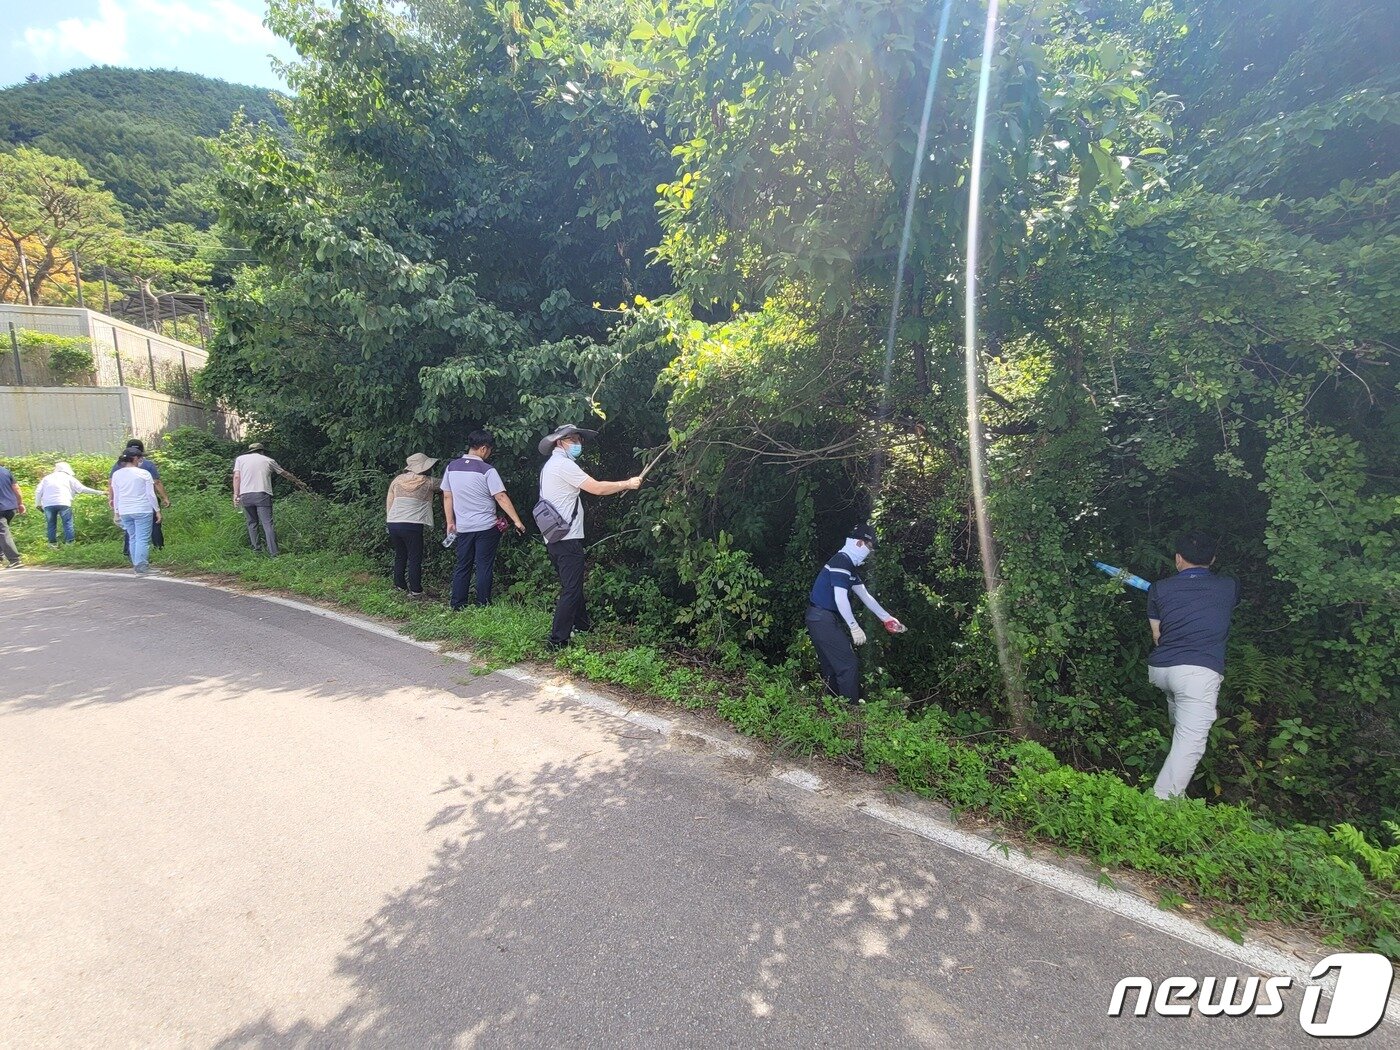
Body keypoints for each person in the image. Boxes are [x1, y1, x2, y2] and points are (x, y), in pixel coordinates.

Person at [1146, 532, 1240, 799]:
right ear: (1212, 559)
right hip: (1198, 673)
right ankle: (1160, 804)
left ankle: (1176, 792)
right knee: (1191, 743)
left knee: (1182, 724)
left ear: (1178, 559)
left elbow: (1157, 637)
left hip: (1162, 669)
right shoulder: (1229, 586)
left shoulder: (1159, 589)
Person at [537, 424, 642, 649]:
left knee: (572, 584)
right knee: (571, 588)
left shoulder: (550, 465)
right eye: (573, 440)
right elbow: (597, 488)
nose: (577, 444)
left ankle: (582, 625)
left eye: (579, 440)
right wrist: (628, 484)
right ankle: (557, 641)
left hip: (554, 536)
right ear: (559, 442)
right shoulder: (563, 465)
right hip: (567, 538)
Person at [805, 524, 905, 703]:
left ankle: (832, 708)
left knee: (832, 665)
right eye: (870, 547)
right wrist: (854, 626)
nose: (870, 552)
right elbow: (840, 598)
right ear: (859, 543)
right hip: (821, 618)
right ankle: (850, 715)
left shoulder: (849, 566)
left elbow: (866, 596)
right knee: (848, 664)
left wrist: (887, 618)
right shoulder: (841, 561)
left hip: (821, 618)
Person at [441, 430, 526, 610]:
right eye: (489, 450)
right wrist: (516, 521)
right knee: (483, 566)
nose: (489, 454)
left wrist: (450, 522)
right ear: (483, 448)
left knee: (463, 565)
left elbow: (447, 496)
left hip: (463, 527)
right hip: (486, 527)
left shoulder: (451, 467)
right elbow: (501, 497)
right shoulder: (487, 470)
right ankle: (482, 604)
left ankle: (457, 604)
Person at [232, 442, 308, 557]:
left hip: (245, 495)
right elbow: (284, 473)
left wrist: (236, 494)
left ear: (250, 451)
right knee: (267, 524)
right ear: (262, 451)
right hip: (262, 494)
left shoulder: (240, 459)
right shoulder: (268, 460)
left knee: (252, 523)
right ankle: (274, 553)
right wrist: (298, 482)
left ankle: (256, 551)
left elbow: (237, 477)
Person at [385, 452, 439, 598]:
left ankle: (399, 585)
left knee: (400, 555)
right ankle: (415, 590)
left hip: (394, 522)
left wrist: (388, 519)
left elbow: (390, 502)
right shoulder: (429, 482)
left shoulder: (397, 480)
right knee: (415, 557)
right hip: (412, 524)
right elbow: (445, 486)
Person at [110, 439, 170, 553]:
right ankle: (158, 548)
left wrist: (112, 500)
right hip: (145, 503)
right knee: (153, 526)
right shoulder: (148, 465)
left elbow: (112, 484)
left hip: (125, 504)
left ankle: (128, 552)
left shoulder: (118, 466)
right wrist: (164, 498)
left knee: (131, 533)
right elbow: (156, 483)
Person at [110, 448, 160, 574]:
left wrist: (116, 512)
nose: (141, 460)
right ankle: (141, 567)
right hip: (142, 509)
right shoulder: (144, 474)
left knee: (133, 538)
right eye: (140, 458)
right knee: (142, 539)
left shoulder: (117, 474)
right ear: (136, 458)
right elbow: (151, 494)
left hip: (125, 510)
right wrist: (157, 510)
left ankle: (136, 565)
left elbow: (116, 495)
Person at [35, 462, 104, 544]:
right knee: (67, 523)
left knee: (51, 524)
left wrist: (38, 504)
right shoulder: (69, 477)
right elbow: (82, 489)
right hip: (64, 502)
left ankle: (52, 544)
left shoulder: (47, 478)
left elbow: (38, 491)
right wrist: (101, 492)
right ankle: (70, 543)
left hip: (48, 504)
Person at [0, 458, 24, 568]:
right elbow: (17, 489)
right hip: (11, 508)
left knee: (3, 533)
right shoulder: (5, 471)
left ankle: (14, 560)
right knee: (2, 532)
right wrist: (20, 504)